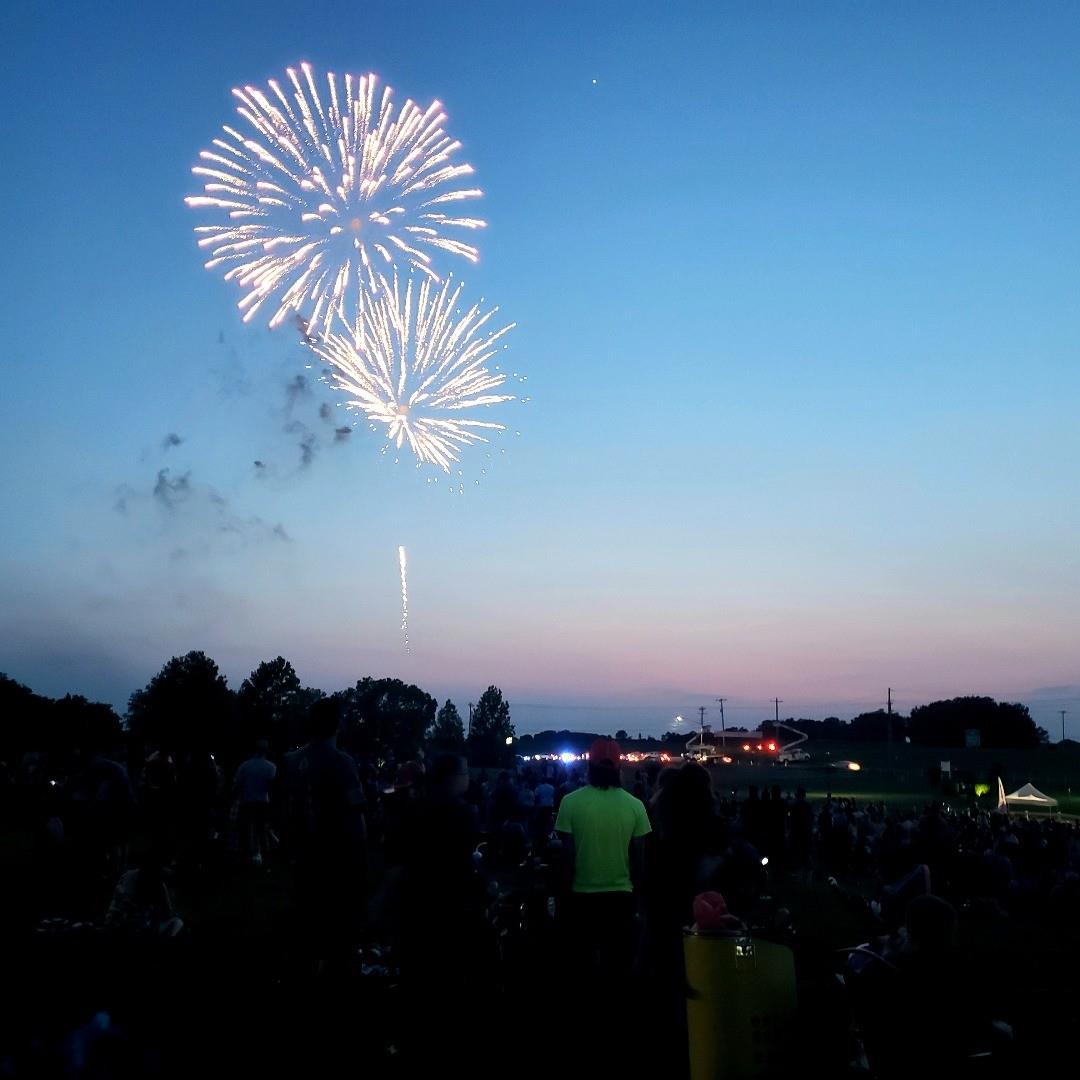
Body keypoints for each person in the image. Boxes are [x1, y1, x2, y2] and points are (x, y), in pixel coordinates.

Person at [555, 738, 651, 982]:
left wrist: (563, 896)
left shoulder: (570, 802)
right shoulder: (636, 806)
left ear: (589, 766)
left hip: (581, 896)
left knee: (581, 967)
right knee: (618, 967)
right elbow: (639, 858)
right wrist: (638, 898)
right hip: (621, 896)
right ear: (619, 767)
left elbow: (567, 855)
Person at [285, 699, 367, 973]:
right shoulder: (343, 764)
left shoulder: (291, 761)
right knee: (335, 923)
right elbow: (356, 810)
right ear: (337, 725)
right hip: (335, 854)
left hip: (300, 851)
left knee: (305, 915)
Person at [232, 738, 276, 865]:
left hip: (247, 802)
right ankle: (265, 858)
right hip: (262, 802)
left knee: (245, 831)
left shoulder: (245, 765)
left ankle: (246, 857)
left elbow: (237, 785)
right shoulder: (271, 767)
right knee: (262, 831)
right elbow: (271, 786)